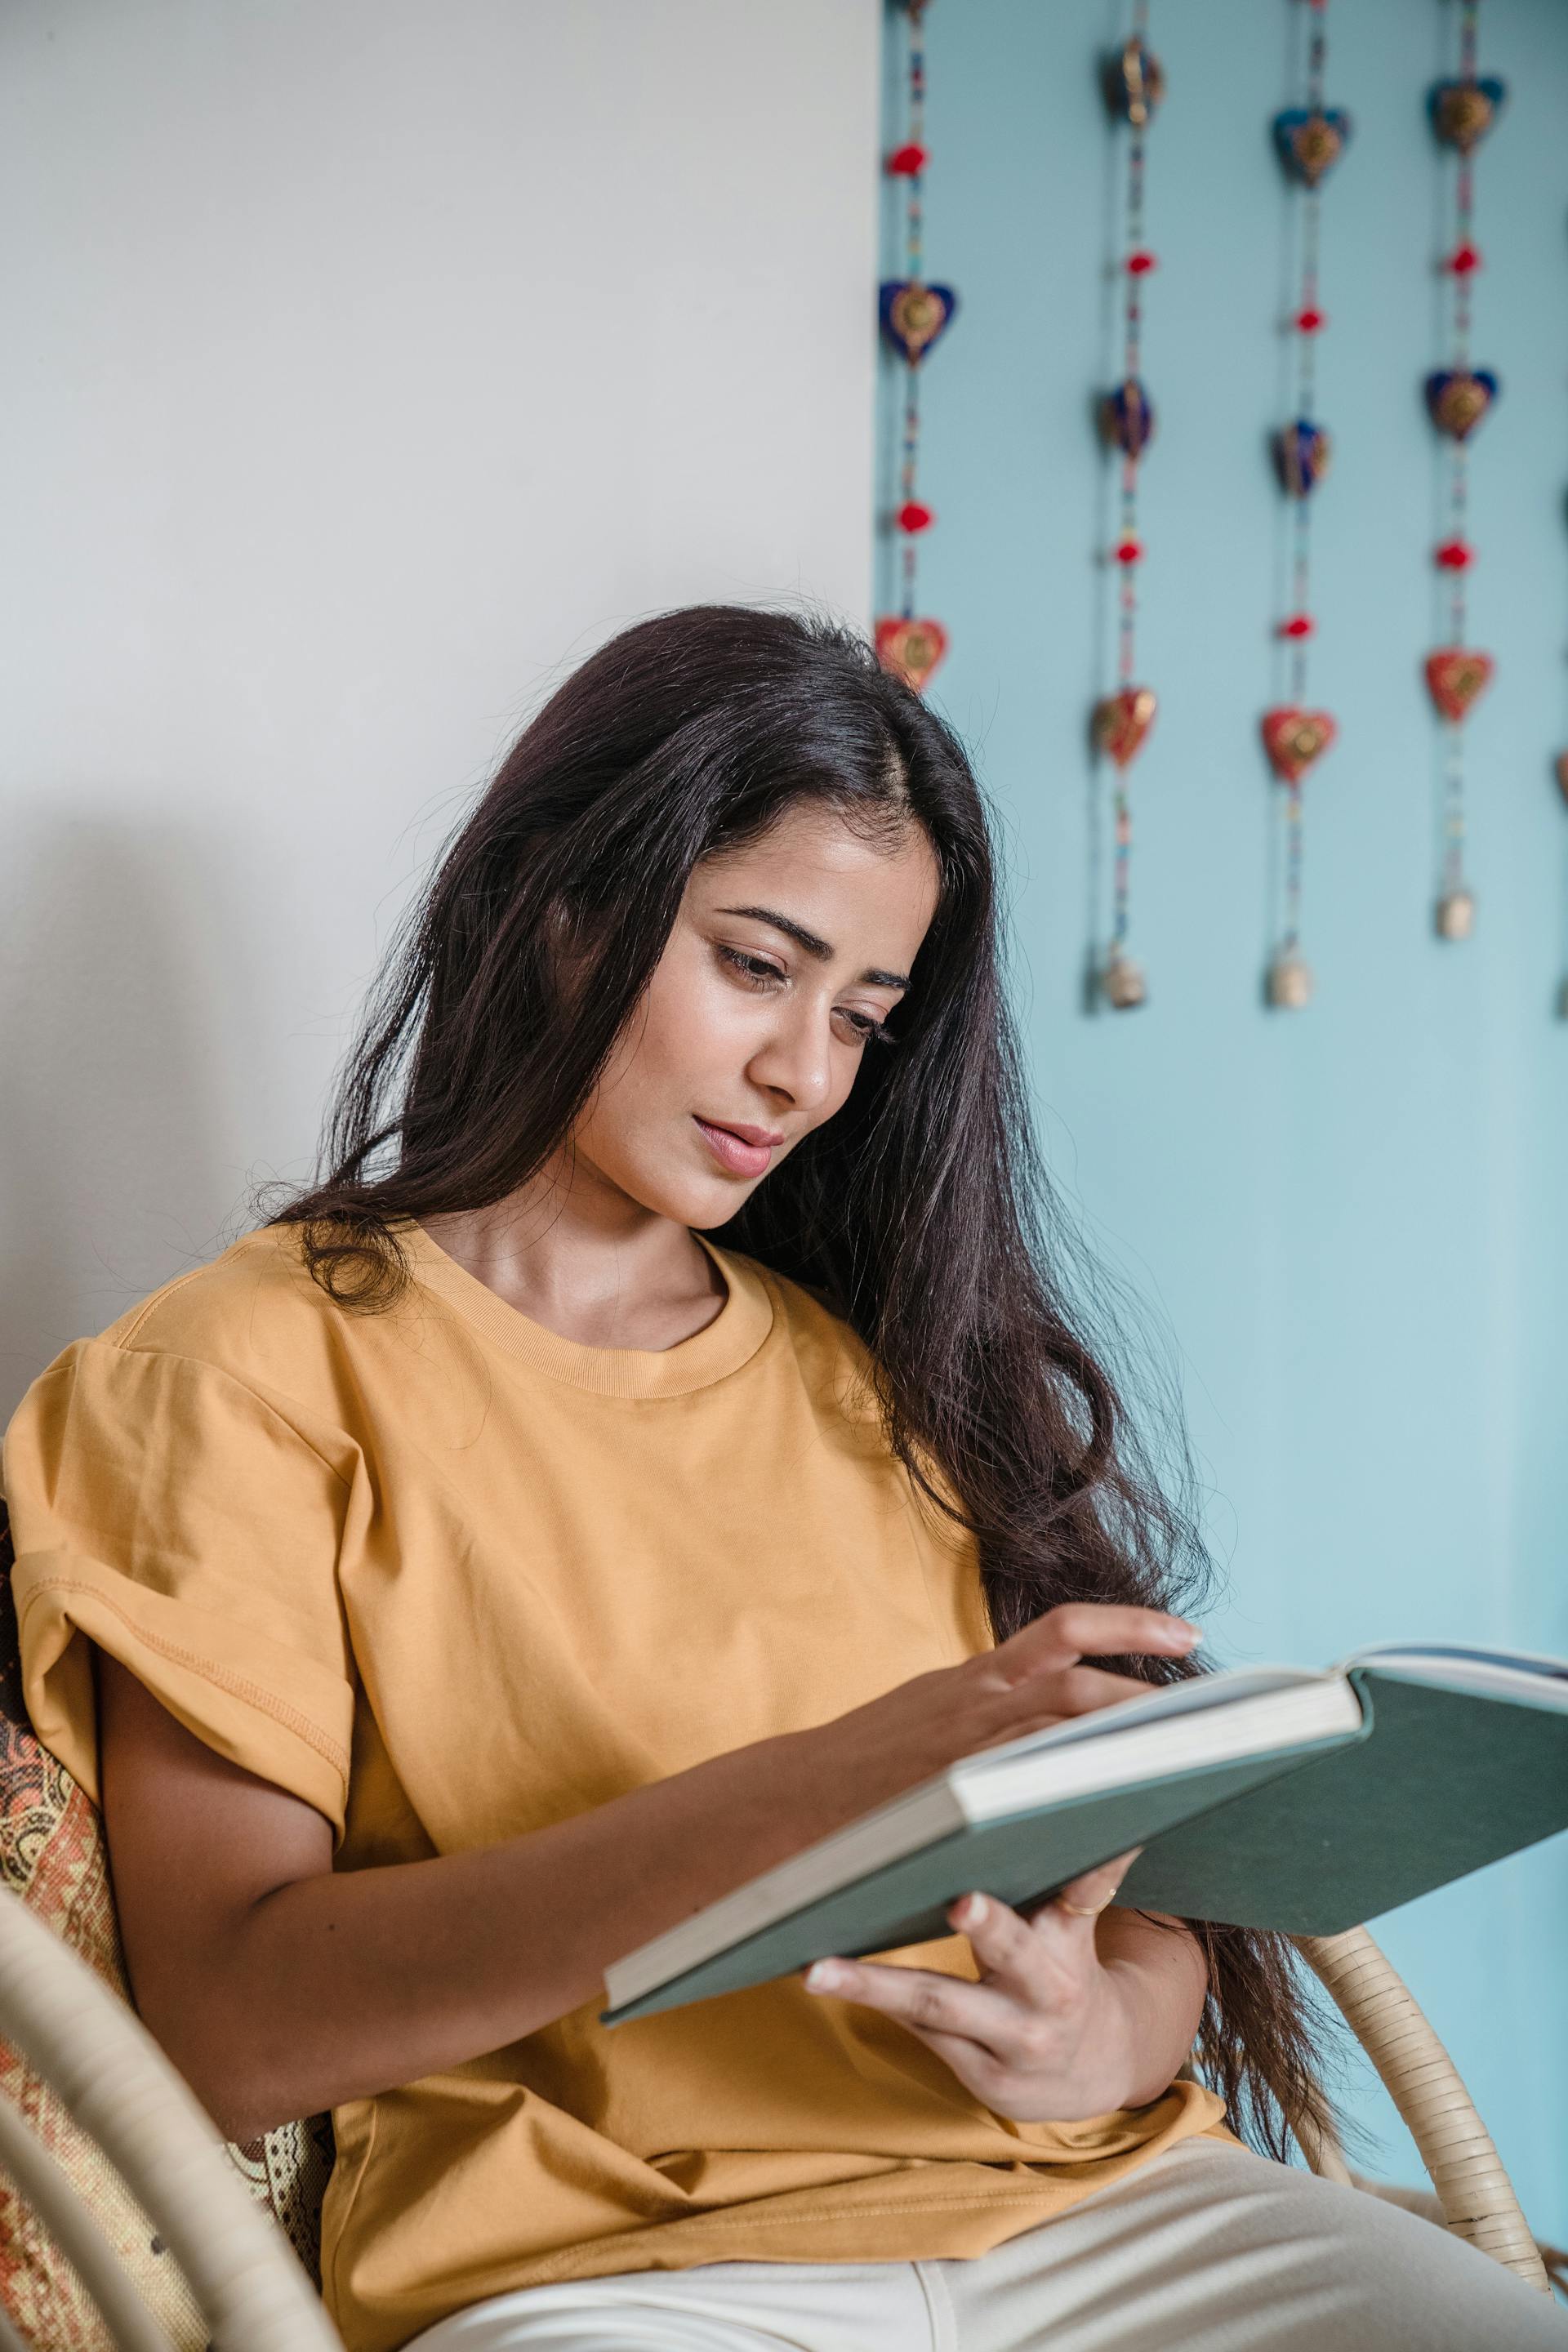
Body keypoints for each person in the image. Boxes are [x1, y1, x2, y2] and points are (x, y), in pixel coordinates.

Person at [2, 607, 1560, 2352]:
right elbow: (238, 2025)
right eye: (756, 965)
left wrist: (1094, 2037)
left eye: (864, 1014)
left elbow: (1142, 1917)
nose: (807, 1075)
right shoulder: (233, 1379)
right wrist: (834, 1778)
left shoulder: (883, 1372)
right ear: (562, 906)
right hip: (612, 2277)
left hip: (1110, 2215)